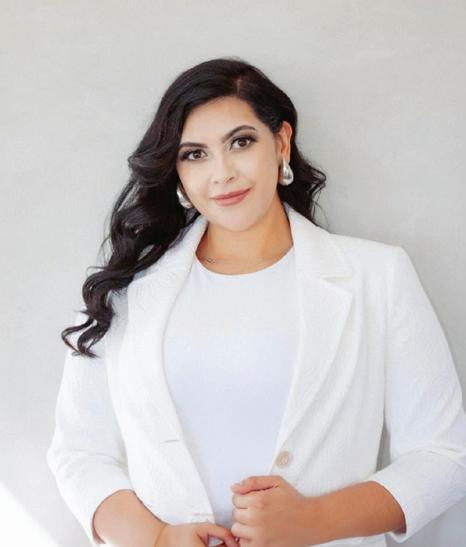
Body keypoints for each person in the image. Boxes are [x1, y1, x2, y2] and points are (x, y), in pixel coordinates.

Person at [46, 57, 466, 547]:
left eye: (241, 142)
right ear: (176, 171)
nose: (221, 173)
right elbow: (79, 453)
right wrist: (157, 539)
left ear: (281, 142)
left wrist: (315, 521)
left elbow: (444, 454)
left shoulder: (378, 276)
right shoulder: (125, 292)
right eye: (195, 154)